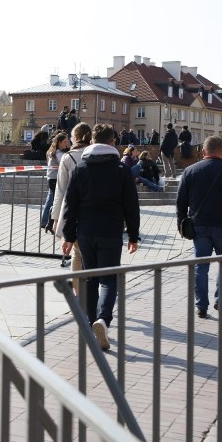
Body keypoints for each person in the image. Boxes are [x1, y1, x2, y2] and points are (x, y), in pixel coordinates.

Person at [61, 123, 140, 351]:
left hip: (85, 232)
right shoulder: (121, 170)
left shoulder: (81, 168)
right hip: (111, 231)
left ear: (92, 141)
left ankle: (89, 323)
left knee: (90, 278)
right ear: (113, 142)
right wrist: (133, 235)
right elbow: (131, 206)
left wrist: (68, 235)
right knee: (109, 279)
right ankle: (103, 320)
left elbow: (70, 205)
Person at [176, 136, 222, 319]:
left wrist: (181, 224)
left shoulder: (190, 171)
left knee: (201, 266)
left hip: (199, 226)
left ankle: (201, 305)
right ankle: (221, 300)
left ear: (203, 152)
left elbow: (180, 202)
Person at [51, 122, 93, 295]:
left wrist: (55, 218)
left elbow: (60, 190)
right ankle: (93, 293)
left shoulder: (68, 158)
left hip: (73, 210)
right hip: (95, 210)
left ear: (75, 138)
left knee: (77, 253)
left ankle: (78, 294)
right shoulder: (98, 154)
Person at [41, 132, 70, 234]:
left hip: (53, 178)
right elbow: (64, 161)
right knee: (55, 201)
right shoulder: (57, 153)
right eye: (65, 142)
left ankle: (49, 223)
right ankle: (49, 223)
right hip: (54, 179)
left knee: (54, 201)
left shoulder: (55, 151)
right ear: (59, 142)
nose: (67, 144)